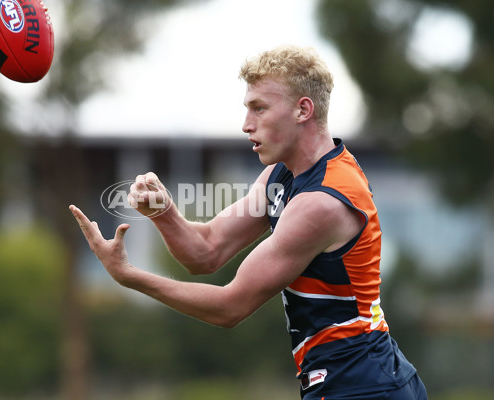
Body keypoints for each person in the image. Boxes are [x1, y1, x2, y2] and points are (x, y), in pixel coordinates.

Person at [70, 45, 427, 399]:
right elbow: (206, 251)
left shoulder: (321, 202)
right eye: (247, 109)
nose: (246, 125)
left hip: (364, 387)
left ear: (303, 110)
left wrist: (129, 276)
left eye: (260, 109)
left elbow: (230, 307)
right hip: (354, 381)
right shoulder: (282, 174)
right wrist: (164, 213)